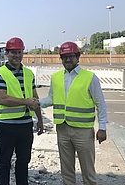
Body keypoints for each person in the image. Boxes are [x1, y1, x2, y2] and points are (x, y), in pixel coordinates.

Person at [39, 41, 108, 185]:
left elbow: (100, 103)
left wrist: (102, 128)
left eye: (71, 56)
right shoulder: (56, 77)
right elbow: (51, 98)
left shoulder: (90, 77)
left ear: (78, 57)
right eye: (65, 57)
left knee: (88, 171)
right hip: (62, 129)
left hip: (83, 131)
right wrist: (35, 102)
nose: (68, 60)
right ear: (61, 59)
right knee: (67, 171)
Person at [0, 37, 43, 185]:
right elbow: (2, 98)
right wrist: (25, 101)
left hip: (25, 125)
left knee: (23, 161)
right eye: (13, 52)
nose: (17, 55)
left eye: (19, 52)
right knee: (4, 161)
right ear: (6, 53)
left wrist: (39, 119)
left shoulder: (28, 74)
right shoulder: (0, 73)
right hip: (7, 126)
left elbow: (35, 98)